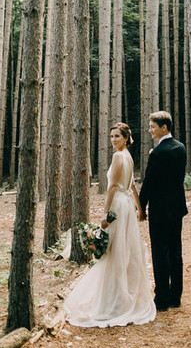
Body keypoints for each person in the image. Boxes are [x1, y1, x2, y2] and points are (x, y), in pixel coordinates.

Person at [64, 122, 156, 328]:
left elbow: (114, 186)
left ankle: (114, 301)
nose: (113, 140)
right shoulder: (129, 157)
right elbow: (131, 186)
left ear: (126, 138)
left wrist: (106, 213)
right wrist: (139, 209)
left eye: (117, 136)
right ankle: (122, 297)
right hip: (127, 207)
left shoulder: (118, 157)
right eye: (111, 136)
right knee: (124, 249)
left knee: (114, 251)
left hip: (118, 206)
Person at [139, 110, 188, 311]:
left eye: (153, 127)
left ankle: (161, 299)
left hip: (160, 209)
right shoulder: (181, 148)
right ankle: (176, 296)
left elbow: (149, 183)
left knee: (160, 252)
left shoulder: (158, 153)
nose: (150, 130)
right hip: (176, 207)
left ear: (164, 127)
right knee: (176, 251)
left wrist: (141, 207)